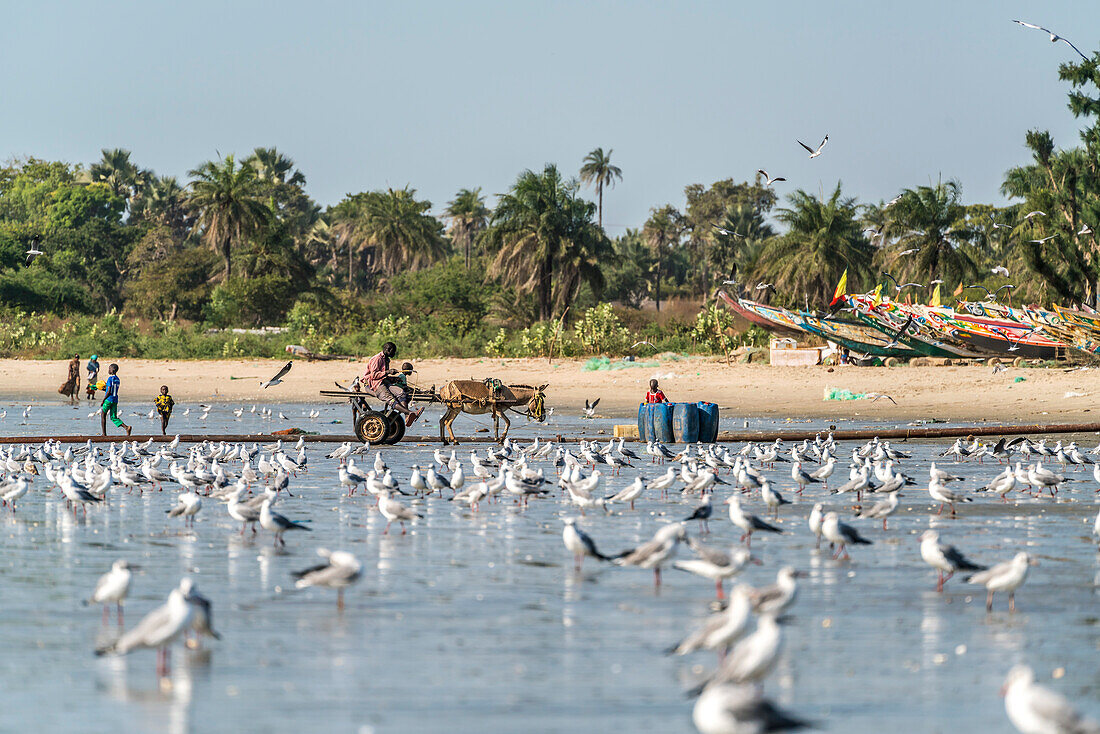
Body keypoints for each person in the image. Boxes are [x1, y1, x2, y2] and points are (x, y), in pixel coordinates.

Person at [363, 342, 424, 427]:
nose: (394, 353)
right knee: (390, 399)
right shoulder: (377, 359)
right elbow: (373, 376)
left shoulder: (386, 360)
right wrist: (388, 372)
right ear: (388, 350)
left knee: (401, 392)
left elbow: (384, 376)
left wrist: (394, 378)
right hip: (374, 384)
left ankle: (407, 416)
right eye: (393, 351)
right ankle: (409, 412)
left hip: (383, 382)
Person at [100, 363, 131, 436]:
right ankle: (126, 427)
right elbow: (112, 390)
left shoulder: (110, 379)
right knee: (113, 417)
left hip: (108, 399)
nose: (108, 370)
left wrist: (103, 399)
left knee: (103, 415)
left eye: (109, 369)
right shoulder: (117, 379)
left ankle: (104, 434)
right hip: (115, 400)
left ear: (112, 370)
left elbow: (109, 391)